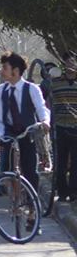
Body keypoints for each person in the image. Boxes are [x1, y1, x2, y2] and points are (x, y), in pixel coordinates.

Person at [0, 52, 50, 192]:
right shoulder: (1, 90)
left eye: (5, 68)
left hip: (27, 133)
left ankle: (31, 205)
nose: (2, 71)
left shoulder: (31, 88)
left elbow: (41, 108)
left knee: (30, 171)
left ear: (16, 71)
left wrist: (45, 121)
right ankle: (15, 202)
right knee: (9, 171)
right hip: (9, 134)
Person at [49, 52, 77, 202]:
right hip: (60, 127)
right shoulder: (56, 83)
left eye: (73, 62)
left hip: (76, 126)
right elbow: (48, 100)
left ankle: (74, 191)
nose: (71, 65)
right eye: (68, 63)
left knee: (76, 163)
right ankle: (62, 190)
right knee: (60, 162)